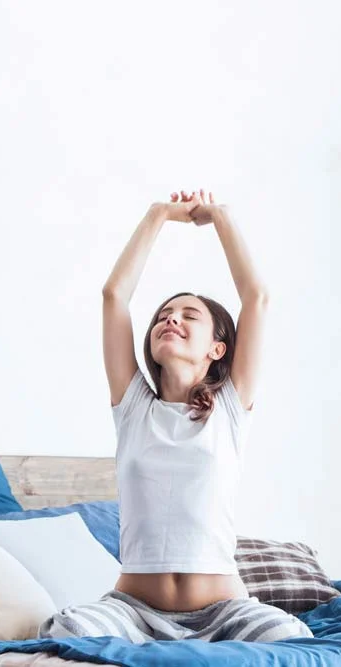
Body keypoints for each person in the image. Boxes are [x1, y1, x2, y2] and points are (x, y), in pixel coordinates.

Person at [38, 189, 313, 644]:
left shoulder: (230, 408)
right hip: (133, 612)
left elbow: (257, 297)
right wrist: (157, 215)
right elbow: (114, 296)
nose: (171, 320)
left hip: (224, 611)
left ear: (217, 349)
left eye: (189, 316)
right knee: (66, 631)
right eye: (164, 315)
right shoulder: (133, 407)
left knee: (293, 644)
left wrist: (220, 217)